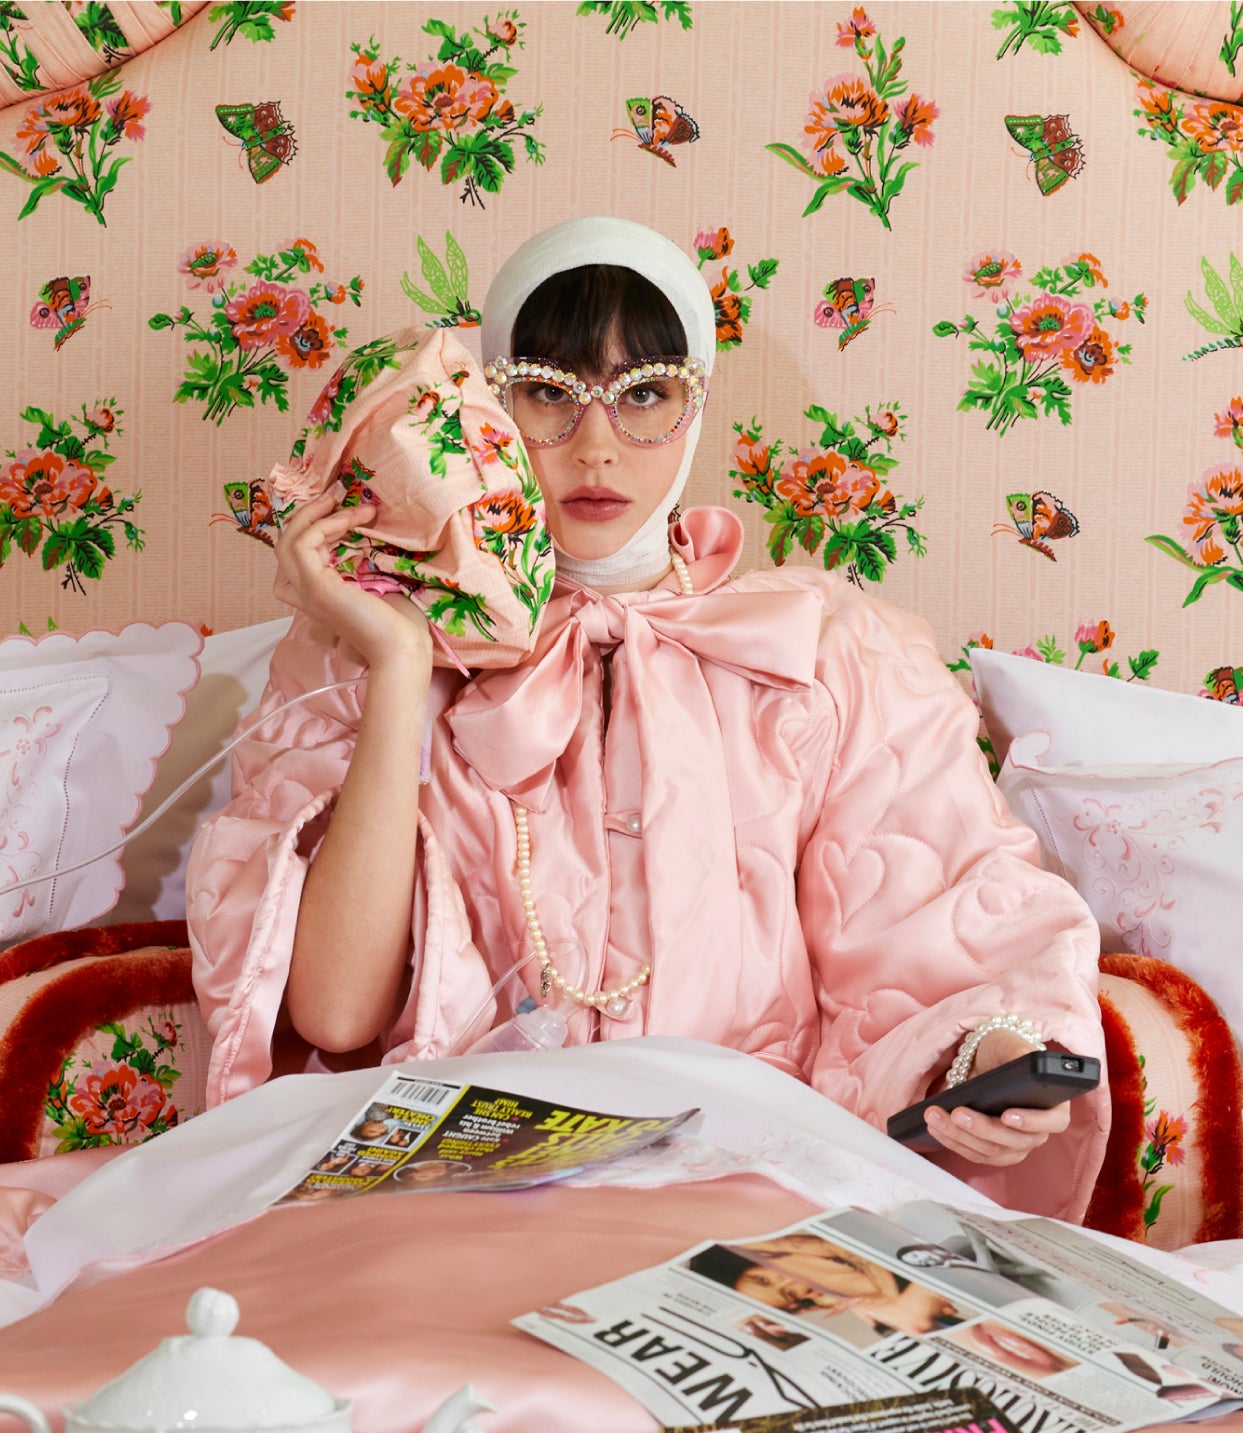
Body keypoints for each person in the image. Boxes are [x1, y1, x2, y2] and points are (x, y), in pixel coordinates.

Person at [187, 217, 1108, 1219]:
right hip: (460, 1203)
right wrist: (401, 657)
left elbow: (939, 915)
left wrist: (989, 1055)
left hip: (743, 1190)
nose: (595, 445)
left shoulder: (836, 647)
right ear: (480, 405)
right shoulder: (359, 651)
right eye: (545, 390)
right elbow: (331, 1010)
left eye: (645, 395)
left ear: (696, 400)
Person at [687, 1240, 962, 1337]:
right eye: (788, 1293)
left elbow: (835, 1246)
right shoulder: (831, 1289)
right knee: (910, 1323)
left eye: (762, 1279)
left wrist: (887, 1300)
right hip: (940, 1268)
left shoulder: (783, 1250)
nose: (788, 1280)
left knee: (912, 1319)